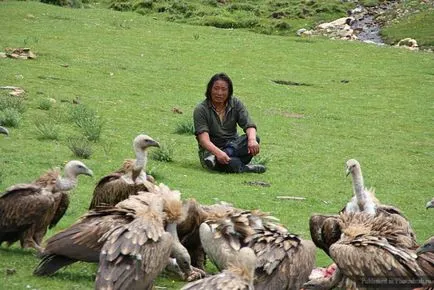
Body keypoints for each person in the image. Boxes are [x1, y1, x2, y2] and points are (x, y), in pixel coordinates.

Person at [193, 73, 266, 174]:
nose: (219, 93)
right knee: (232, 163)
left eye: (223, 89)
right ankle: (246, 168)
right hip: (211, 153)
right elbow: (204, 140)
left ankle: (227, 154)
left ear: (229, 91)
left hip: (234, 146)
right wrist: (218, 153)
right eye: (216, 88)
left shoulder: (235, 104)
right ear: (210, 90)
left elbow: (250, 125)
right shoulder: (201, 110)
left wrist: (252, 140)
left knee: (254, 138)